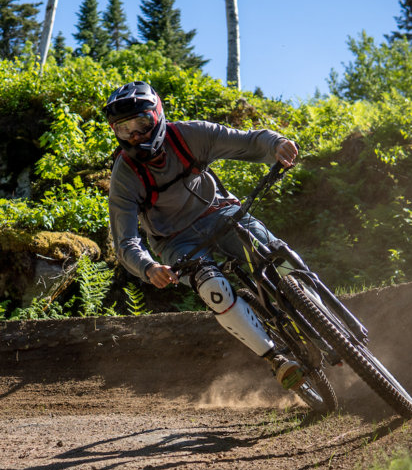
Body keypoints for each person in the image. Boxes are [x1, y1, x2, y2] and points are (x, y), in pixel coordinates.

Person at [105, 81, 304, 391]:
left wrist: (276, 144)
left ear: (157, 116)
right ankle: (276, 359)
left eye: (141, 124)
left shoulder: (190, 135)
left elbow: (250, 142)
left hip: (217, 212)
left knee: (272, 252)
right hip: (175, 242)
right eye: (124, 129)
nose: (135, 135)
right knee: (213, 287)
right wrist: (148, 267)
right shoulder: (125, 176)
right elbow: (126, 242)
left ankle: (314, 310)